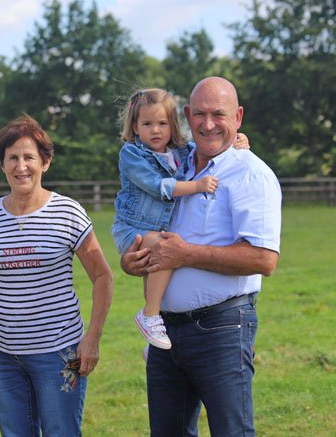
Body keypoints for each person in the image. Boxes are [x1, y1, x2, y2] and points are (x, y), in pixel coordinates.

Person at [121, 77, 281, 436]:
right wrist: (132, 262)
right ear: (187, 115)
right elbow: (151, 233)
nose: (209, 124)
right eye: (200, 114)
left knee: (230, 431)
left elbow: (264, 259)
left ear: (238, 117)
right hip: (164, 331)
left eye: (219, 114)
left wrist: (185, 254)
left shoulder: (250, 173)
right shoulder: (171, 164)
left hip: (221, 328)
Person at [0, 115, 113, 436]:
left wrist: (93, 338)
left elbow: (102, 277)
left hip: (58, 352)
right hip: (2, 354)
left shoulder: (68, 212)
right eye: (12, 158)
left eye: (29, 157)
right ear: (2, 164)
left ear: (45, 162)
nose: (21, 166)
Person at [112, 88, 248, 351]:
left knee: (157, 271)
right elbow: (157, 186)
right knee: (164, 249)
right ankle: (150, 315)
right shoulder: (132, 154)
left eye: (162, 123)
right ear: (135, 127)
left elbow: (212, 147)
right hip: (134, 227)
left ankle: (154, 332)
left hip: (159, 226)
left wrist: (236, 141)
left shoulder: (182, 151)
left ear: (173, 125)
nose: (155, 130)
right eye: (147, 124)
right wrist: (197, 186)